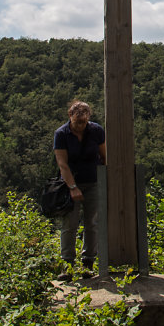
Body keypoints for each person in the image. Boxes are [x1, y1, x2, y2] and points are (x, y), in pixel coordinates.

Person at [53, 100, 106, 276]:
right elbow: (63, 164)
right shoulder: (61, 134)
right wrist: (73, 187)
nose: (80, 126)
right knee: (70, 224)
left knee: (92, 223)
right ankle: (67, 265)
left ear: (89, 118)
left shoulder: (96, 131)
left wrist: (106, 180)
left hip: (93, 182)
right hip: (70, 184)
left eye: (84, 122)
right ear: (70, 116)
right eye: (77, 122)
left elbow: (104, 156)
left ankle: (88, 263)